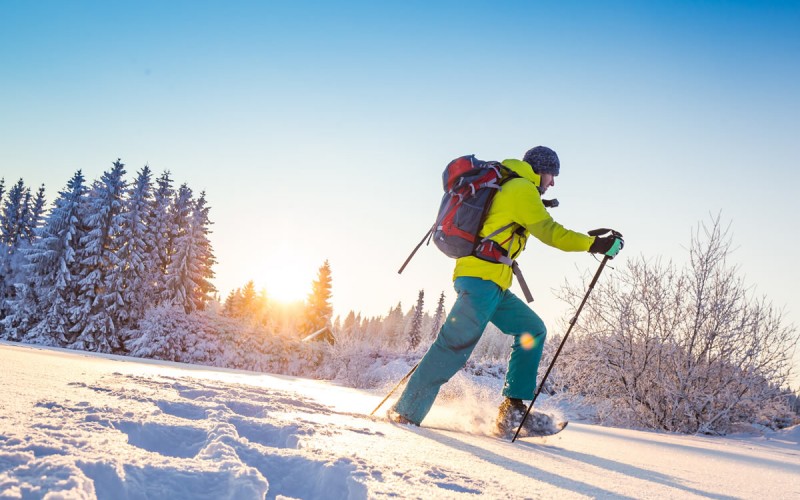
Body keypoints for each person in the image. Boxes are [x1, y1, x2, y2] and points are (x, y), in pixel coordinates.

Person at [389, 146, 623, 436]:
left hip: (493, 283)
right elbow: (551, 232)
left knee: (532, 329)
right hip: (481, 281)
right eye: (552, 174)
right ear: (539, 170)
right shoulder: (520, 189)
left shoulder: (517, 189)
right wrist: (594, 245)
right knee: (452, 349)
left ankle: (512, 411)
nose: (553, 182)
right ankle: (405, 414)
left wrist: (588, 241)